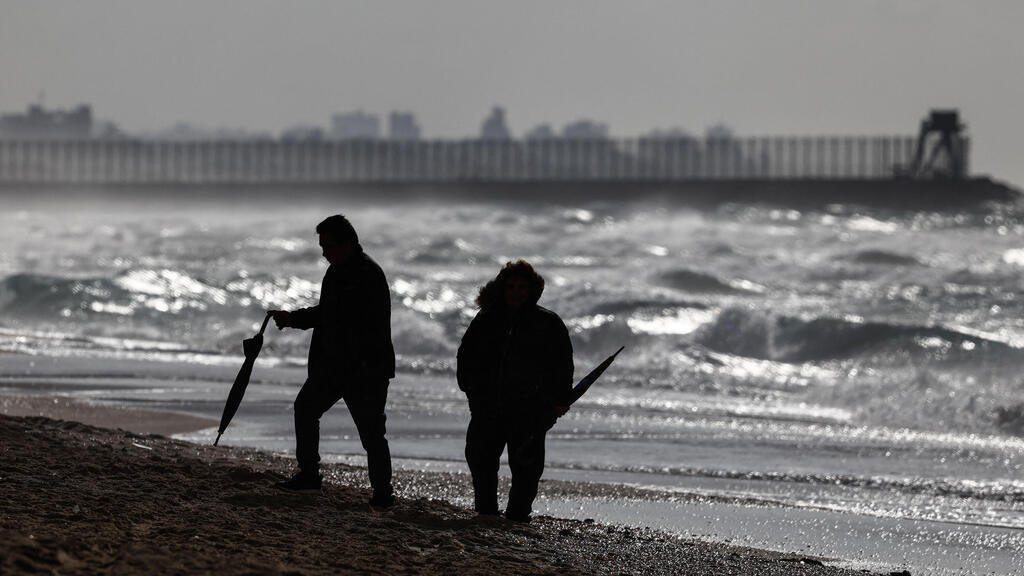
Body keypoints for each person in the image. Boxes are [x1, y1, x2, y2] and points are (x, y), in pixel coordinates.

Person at [269, 214, 396, 507]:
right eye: (322, 246)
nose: (323, 252)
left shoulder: (368, 274)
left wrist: (295, 319)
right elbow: (328, 312)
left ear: (347, 243)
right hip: (335, 367)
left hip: (365, 370)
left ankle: (382, 493)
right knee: (305, 409)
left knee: (372, 434)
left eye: (328, 246)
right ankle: (309, 476)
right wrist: (293, 318)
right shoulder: (337, 271)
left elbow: (337, 317)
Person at [456, 260, 574, 522]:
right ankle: (486, 511)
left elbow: (562, 366)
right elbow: (466, 356)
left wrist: (560, 400)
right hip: (488, 406)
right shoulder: (486, 318)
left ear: (532, 289)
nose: (516, 292)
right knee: (480, 459)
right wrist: (470, 391)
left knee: (527, 468)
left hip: (529, 410)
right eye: (511, 287)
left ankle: (518, 515)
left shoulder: (548, 322)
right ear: (502, 289)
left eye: (522, 287)